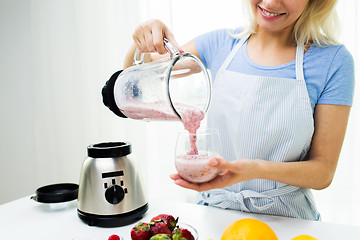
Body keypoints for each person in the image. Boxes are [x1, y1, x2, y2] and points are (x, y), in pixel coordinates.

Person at [124, 0, 355, 221]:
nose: (271, 2)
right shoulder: (220, 44)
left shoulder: (333, 61)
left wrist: (254, 170)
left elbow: (322, 172)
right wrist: (144, 39)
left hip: (289, 220)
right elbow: (135, 79)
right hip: (214, 214)